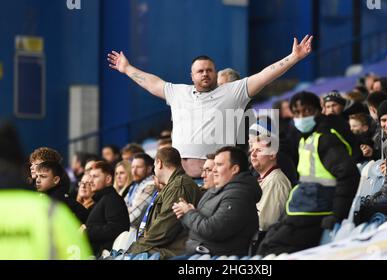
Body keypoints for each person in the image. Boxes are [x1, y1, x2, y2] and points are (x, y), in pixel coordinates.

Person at [108, 35, 313, 178]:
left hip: (215, 179)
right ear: (192, 76)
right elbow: (152, 82)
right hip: (179, 178)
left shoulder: (232, 92)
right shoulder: (178, 92)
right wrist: (126, 68)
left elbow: (264, 76)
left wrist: (293, 57)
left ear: (216, 73)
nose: (205, 74)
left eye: (209, 70)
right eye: (200, 71)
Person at [256, 92, 360, 255]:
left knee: (272, 250)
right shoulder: (305, 138)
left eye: (307, 111)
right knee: (264, 246)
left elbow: (349, 175)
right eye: (297, 113)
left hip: (318, 214)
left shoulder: (326, 139)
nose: (301, 117)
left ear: (319, 111)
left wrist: (337, 214)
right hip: (301, 210)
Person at [0, 120, 92, 259]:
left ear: (55, 176)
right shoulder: (53, 213)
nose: (33, 169)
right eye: (32, 165)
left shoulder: (61, 207)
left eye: (39, 167)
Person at [173, 146, 261, 257]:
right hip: (198, 252)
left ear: (235, 169)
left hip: (216, 256)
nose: (214, 169)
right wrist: (185, 214)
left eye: (219, 165)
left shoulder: (238, 195)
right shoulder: (216, 190)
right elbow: (198, 226)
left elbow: (213, 230)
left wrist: (189, 213)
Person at [126, 147, 203, 259]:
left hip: (171, 252)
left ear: (159, 163)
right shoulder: (172, 186)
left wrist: (132, 250)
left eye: (154, 165)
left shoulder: (178, 186)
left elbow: (163, 230)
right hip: (162, 249)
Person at [82, 161, 130, 257]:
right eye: (90, 176)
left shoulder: (112, 199)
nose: (90, 181)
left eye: (95, 176)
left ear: (108, 179)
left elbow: (116, 228)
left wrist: (87, 231)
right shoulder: (103, 199)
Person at [249, 134, 290, 242]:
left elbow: (264, 223)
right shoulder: (265, 178)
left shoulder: (275, 181)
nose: (253, 154)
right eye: (252, 150)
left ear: (272, 155)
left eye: (259, 150)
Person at [124, 153, 156, 230]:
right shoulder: (134, 186)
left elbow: (133, 216)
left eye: (138, 167)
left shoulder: (151, 185)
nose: (134, 171)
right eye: (132, 167)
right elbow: (121, 208)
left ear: (149, 169)